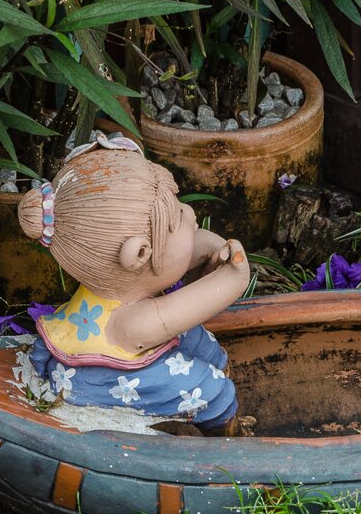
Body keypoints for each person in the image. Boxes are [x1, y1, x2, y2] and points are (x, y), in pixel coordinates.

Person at [17, 133, 252, 435]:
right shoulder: (131, 324)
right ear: (140, 253)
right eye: (178, 217)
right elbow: (194, 304)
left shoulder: (119, 281)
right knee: (212, 389)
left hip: (118, 352)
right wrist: (235, 278)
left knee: (200, 343)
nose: (190, 214)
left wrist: (213, 250)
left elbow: (182, 254)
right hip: (105, 380)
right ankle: (224, 436)